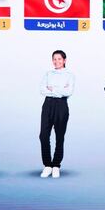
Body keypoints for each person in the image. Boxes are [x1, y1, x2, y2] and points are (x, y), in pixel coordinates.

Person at [39, 50, 74, 178]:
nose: (56, 61)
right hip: (47, 105)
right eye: (54, 59)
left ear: (64, 60)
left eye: (59, 59)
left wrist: (52, 88)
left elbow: (68, 92)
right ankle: (47, 165)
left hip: (61, 106)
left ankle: (56, 165)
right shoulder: (48, 74)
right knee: (43, 135)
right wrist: (60, 89)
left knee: (59, 136)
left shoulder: (69, 75)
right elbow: (42, 90)